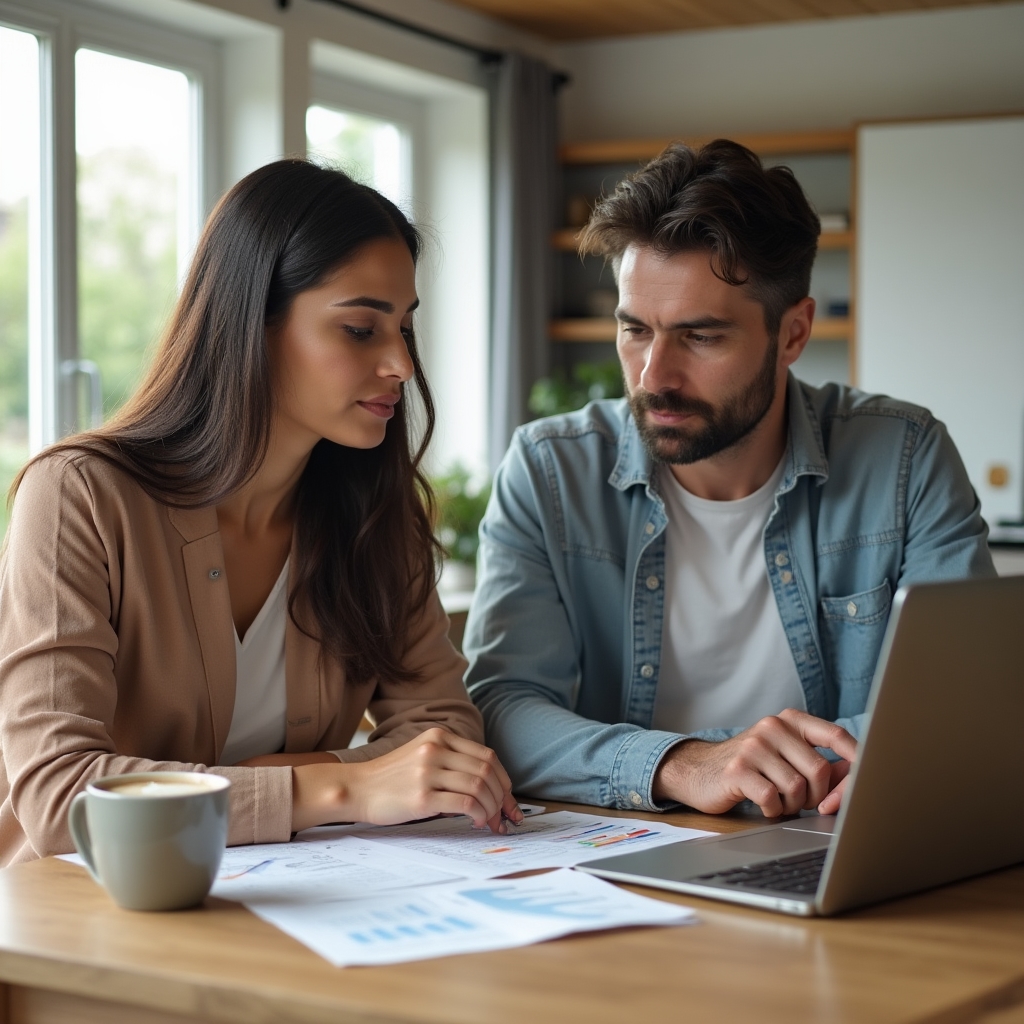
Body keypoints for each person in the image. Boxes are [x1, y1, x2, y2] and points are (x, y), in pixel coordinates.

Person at [0, 160, 520, 865]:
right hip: (91, 919)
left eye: (404, 327)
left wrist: (273, 783)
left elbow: (445, 735)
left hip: (310, 899)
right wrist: (346, 787)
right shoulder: (79, 496)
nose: (400, 362)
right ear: (254, 323)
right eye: (362, 329)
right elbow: (63, 797)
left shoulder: (371, 513)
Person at [465, 140, 995, 821]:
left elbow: (962, 702)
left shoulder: (904, 458)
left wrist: (759, 771)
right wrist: (684, 764)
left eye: (702, 336)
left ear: (794, 333)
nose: (654, 375)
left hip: (825, 840)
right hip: (625, 851)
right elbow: (503, 713)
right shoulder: (549, 470)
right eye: (634, 330)